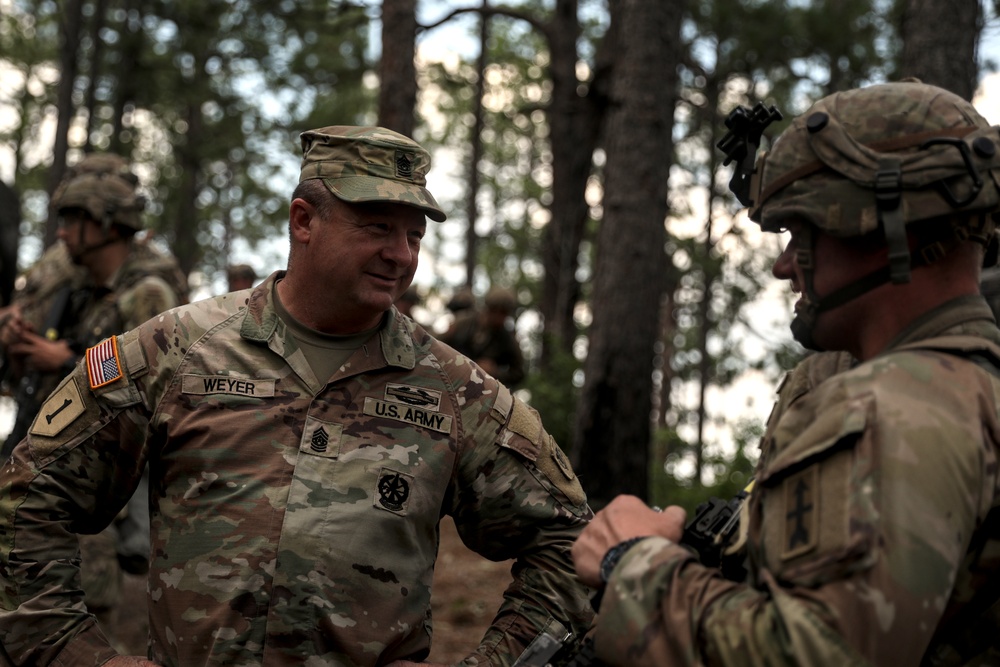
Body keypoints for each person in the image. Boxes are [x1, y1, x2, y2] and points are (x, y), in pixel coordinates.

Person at [0, 125, 594, 667]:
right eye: (377, 228)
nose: (401, 254)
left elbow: (572, 543)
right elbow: (25, 501)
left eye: (413, 235)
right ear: (303, 221)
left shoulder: (454, 390)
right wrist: (73, 654)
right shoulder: (174, 352)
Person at [571, 80, 1000, 665]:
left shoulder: (890, 409)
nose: (781, 266)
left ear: (881, 230)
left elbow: (815, 653)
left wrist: (634, 560)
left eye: (802, 234)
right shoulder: (971, 385)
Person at [0, 153, 188, 653]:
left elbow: (152, 386)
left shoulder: (147, 291)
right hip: (43, 464)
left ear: (105, 223)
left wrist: (61, 359)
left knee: (79, 613)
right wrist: (16, 340)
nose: (60, 234)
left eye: (71, 220)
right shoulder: (65, 285)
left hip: (99, 485)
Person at [440, 286, 526, 388]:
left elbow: (518, 373)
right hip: (449, 380)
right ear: (488, 308)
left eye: (504, 313)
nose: (499, 317)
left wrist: (495, 372)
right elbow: (434, 346)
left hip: (479, 390)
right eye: (495, 311)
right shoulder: (463, 323)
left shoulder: (507, 339)